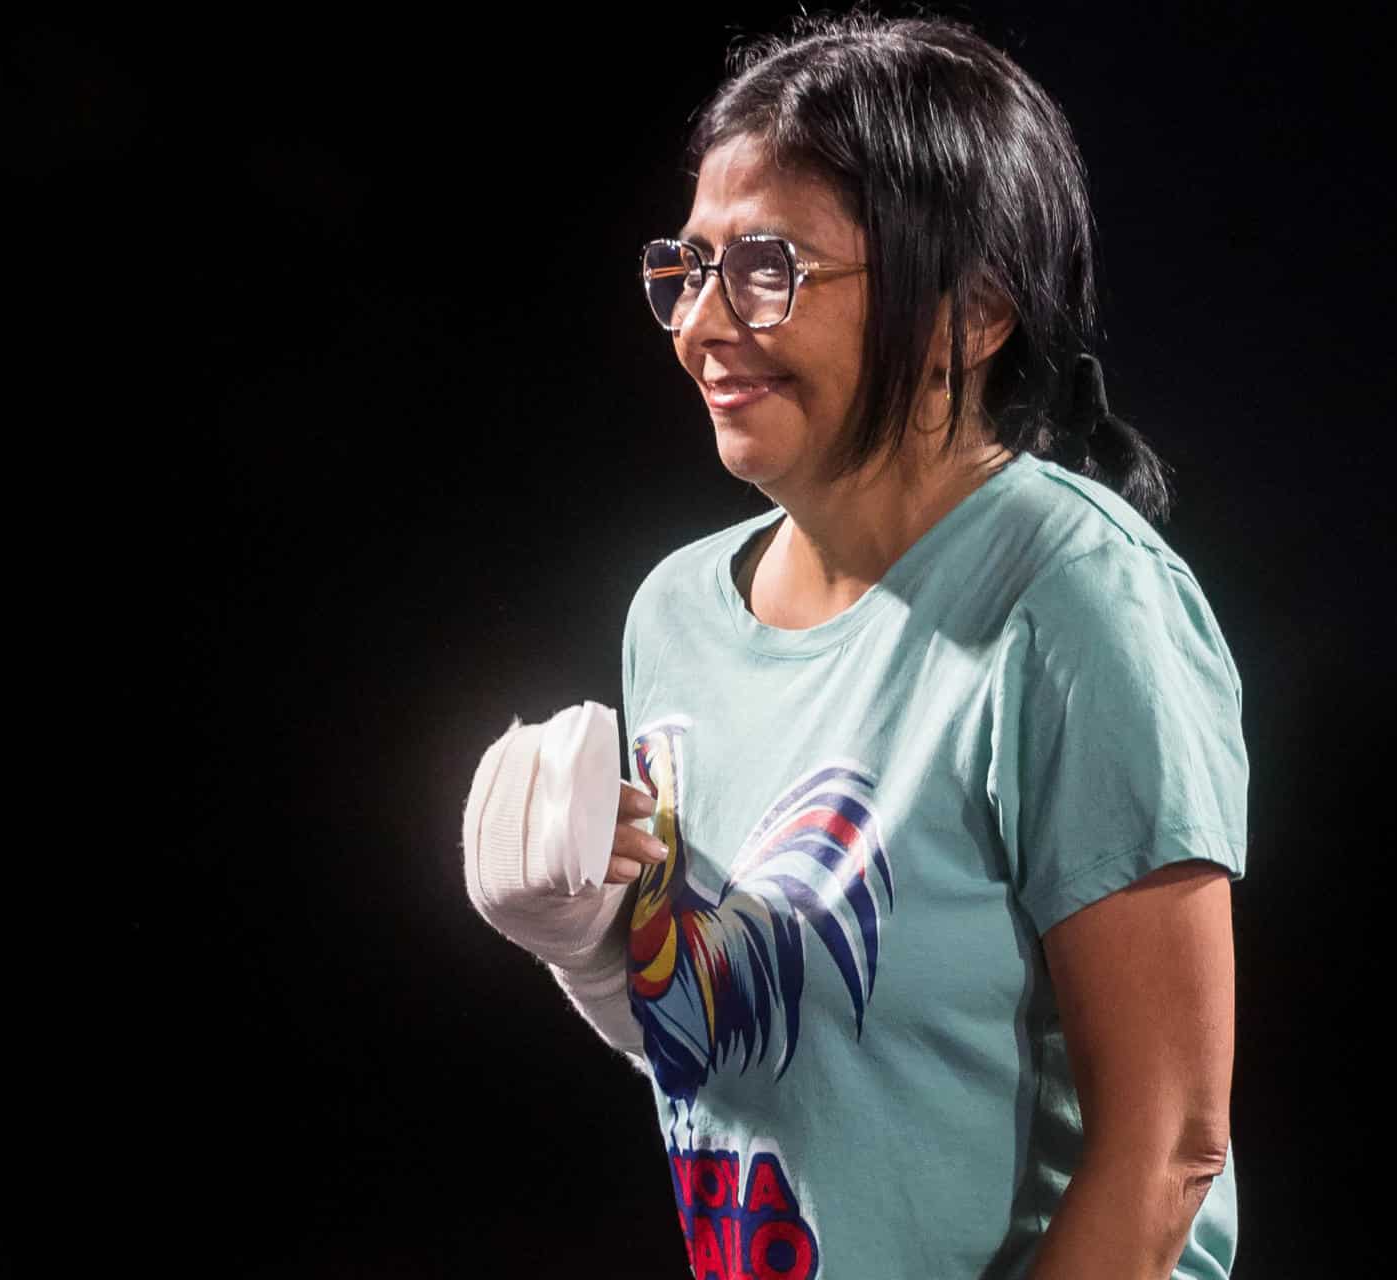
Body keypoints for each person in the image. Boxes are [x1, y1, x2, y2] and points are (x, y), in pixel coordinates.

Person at [461, 11, 1248, 1278]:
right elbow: (770, 1064)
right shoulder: (672, 612)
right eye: (690, 265)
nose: (704, 324)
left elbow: (1168, 1148)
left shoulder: (1075, 599)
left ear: (975, 306)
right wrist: (588, 948)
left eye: (771, 267)